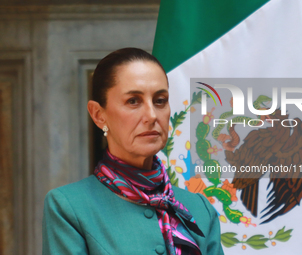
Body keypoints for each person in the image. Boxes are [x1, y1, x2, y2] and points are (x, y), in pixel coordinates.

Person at [42, 48, 223, 255]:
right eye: (133, 101)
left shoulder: (199, 208)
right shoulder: (69, 207)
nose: (152, 115)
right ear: (99, 115)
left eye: (160, 100)